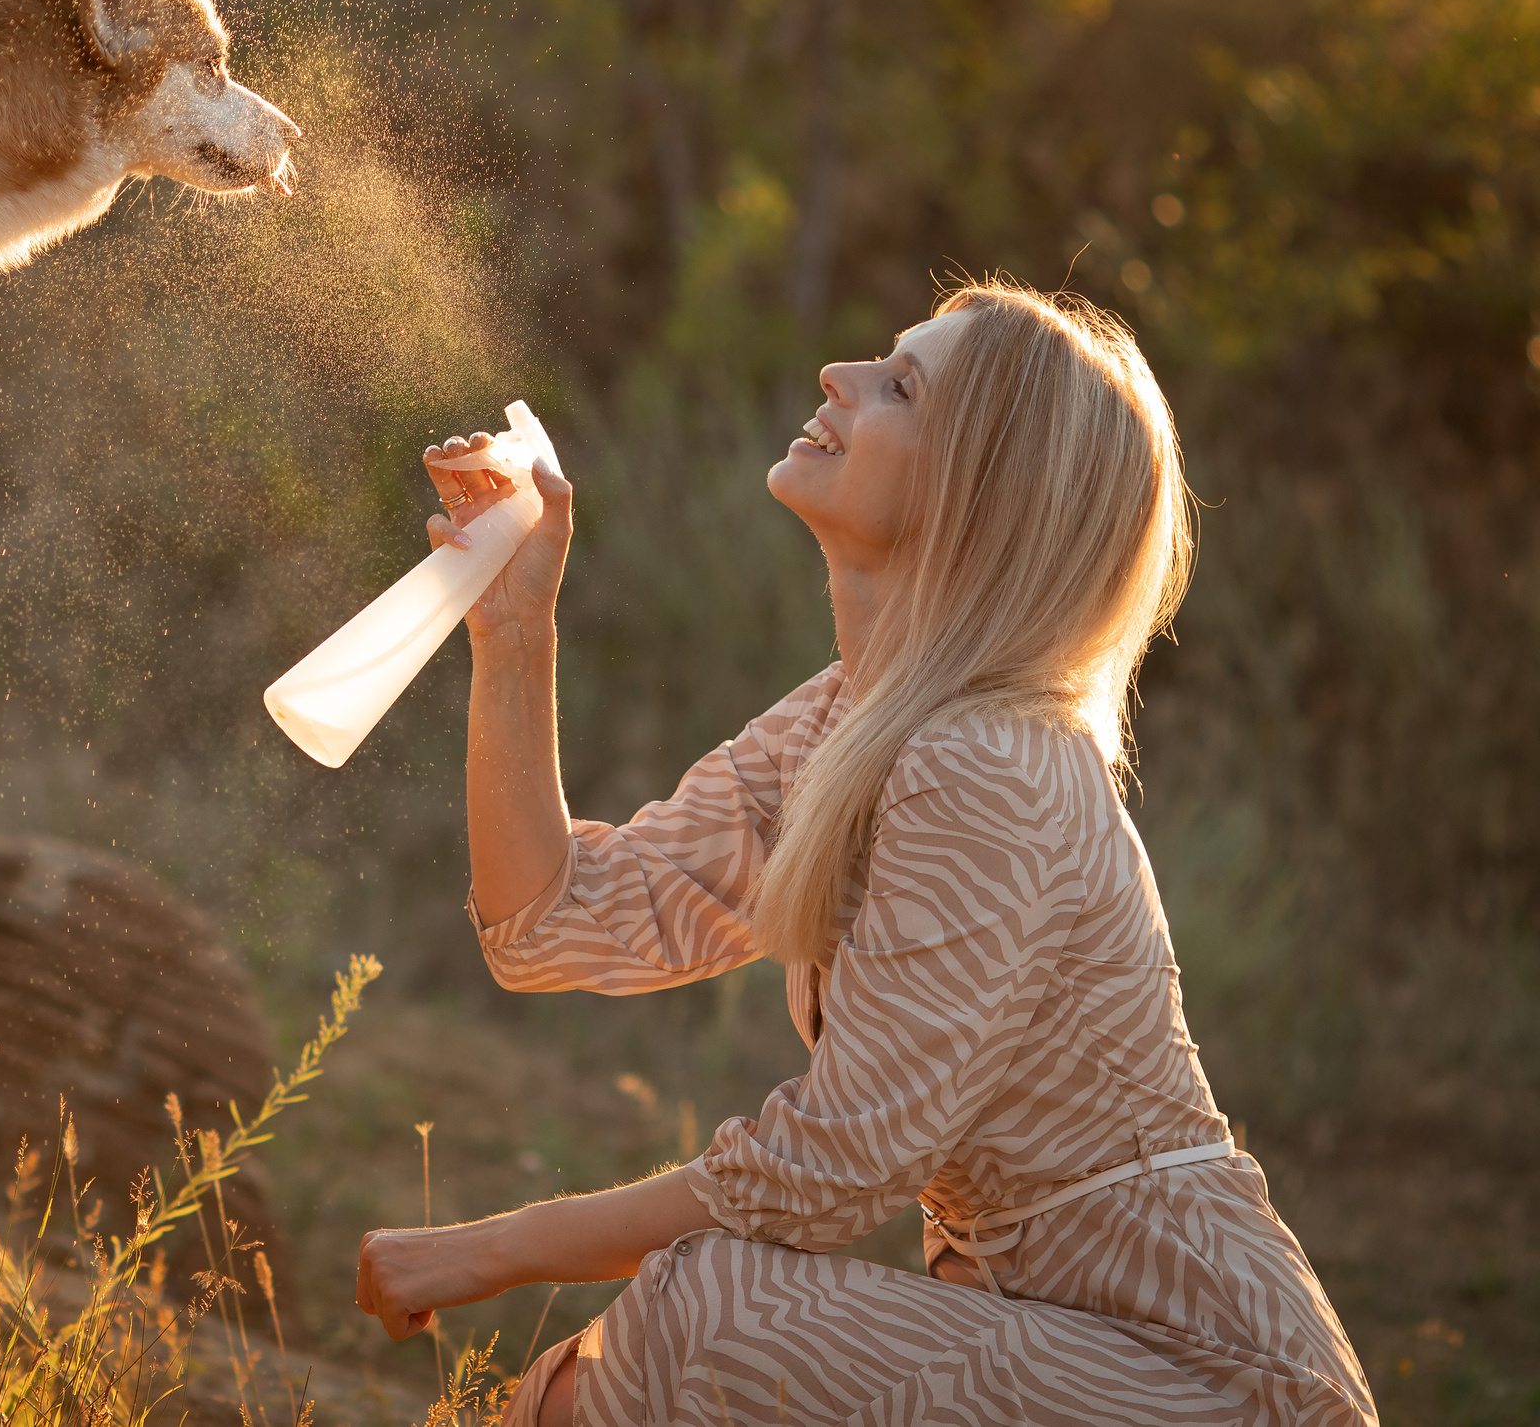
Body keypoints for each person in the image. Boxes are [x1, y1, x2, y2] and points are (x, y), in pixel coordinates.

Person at [354, 282, 1374, 1426]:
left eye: (902, 386)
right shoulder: (848, 725)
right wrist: (514, 629)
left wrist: (493, 1250)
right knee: (710, 1320)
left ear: (980, 495)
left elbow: (831, 1169)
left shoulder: (989, 762)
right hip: (1050, 1340)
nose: (839, 376)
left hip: (1212, 1381)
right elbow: (550, 925)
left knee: (713, 1315)